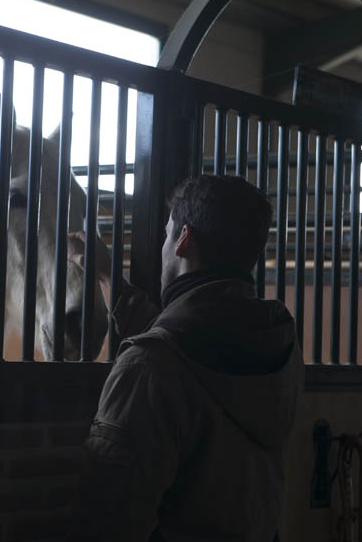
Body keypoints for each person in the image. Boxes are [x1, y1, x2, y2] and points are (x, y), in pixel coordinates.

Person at [68, 174, 303, 542]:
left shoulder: (150, 364)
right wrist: (107, 276)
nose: (163, 244)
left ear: (183, 239)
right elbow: (193, 344)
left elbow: (107, 516)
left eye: (166, 234)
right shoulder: (280, 343)